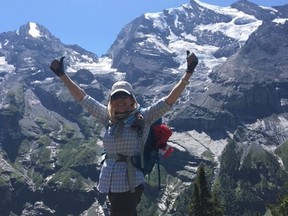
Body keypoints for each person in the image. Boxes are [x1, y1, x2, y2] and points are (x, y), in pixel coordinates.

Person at [49, 51, 198, 216]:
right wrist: (62, 75)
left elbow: (168, 101)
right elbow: (84, 99)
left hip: (130, 181)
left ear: (132, 99)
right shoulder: (109, 119)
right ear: (111, 101)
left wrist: (188, 73)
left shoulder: (145, 117)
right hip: (111, 180)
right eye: (116, 97)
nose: (120, 99)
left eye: (124, 96)